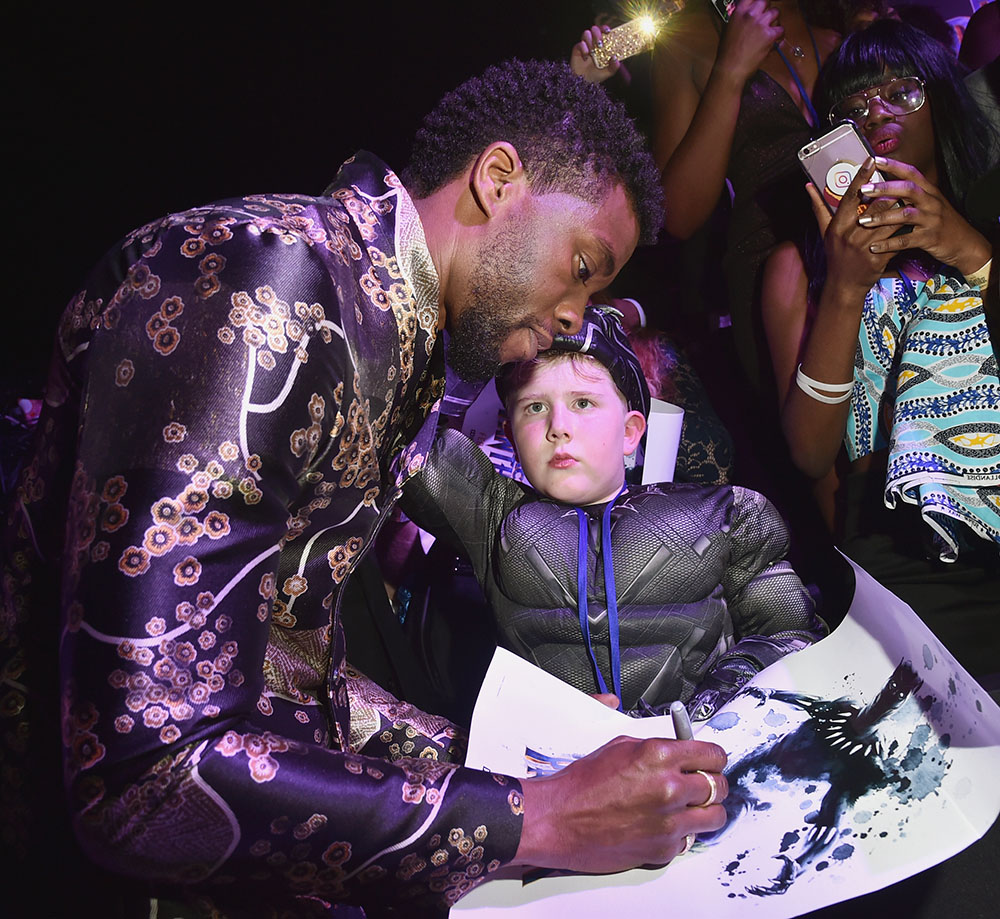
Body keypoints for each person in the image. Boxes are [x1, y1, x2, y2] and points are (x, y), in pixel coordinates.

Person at [0, 60, 731, 917]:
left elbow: (292, 680)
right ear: (498, 180)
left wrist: (526, 765)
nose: (577, 315)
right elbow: (147, 780)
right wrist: (536, 815)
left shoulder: (389, 342)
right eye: (582, 264)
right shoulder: (263, 278)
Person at [402, 307, 828, 723]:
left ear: (629, 432)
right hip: (559, 777)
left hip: (703, 756)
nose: (558, 426)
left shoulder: (723, 515)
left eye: (583, 402)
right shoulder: (492, 515)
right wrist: (491, 328)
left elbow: (793, 635)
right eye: (534, 407)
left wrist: (710, 708)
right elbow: (398, 429)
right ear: (510, 436)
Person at [760, 20, 999, 683]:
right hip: (896, 563)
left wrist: (969, 250)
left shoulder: (989, 234)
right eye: (855, 105)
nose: (880, 112)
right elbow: (809, 454)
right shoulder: (797, 272)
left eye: (902, 91)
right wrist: (844, 286)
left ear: (945, 100)